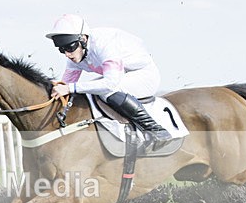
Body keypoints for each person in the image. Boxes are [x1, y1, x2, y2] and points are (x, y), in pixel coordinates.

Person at [45, 14, 172, 149]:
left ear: (83, 39)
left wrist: (70, 88)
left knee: (105, 92)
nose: (67, 54)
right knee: (87, 91)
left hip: (144, 75)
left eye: (70, 47)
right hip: (123, 76)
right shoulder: (75, 55)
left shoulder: (103, 44)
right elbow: (64, 86)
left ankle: (156, 130)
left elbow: (110, 84)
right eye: (62, 50)